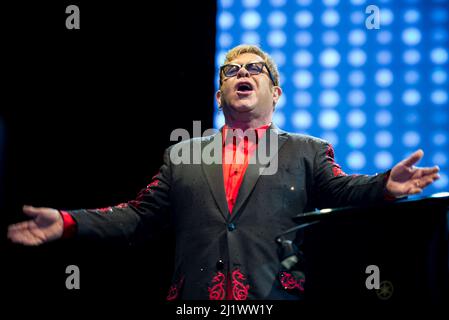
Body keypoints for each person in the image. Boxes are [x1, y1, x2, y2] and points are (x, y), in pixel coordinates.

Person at [7, 44, 440, 300]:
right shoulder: (182, 154)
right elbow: (136, 216)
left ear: (276, 92)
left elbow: (343, 189)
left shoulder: (307, 151)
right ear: (220, 95)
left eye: (255, 69)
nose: (243, 74)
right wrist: (66, 222)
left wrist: (385, 185)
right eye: (231, 71)